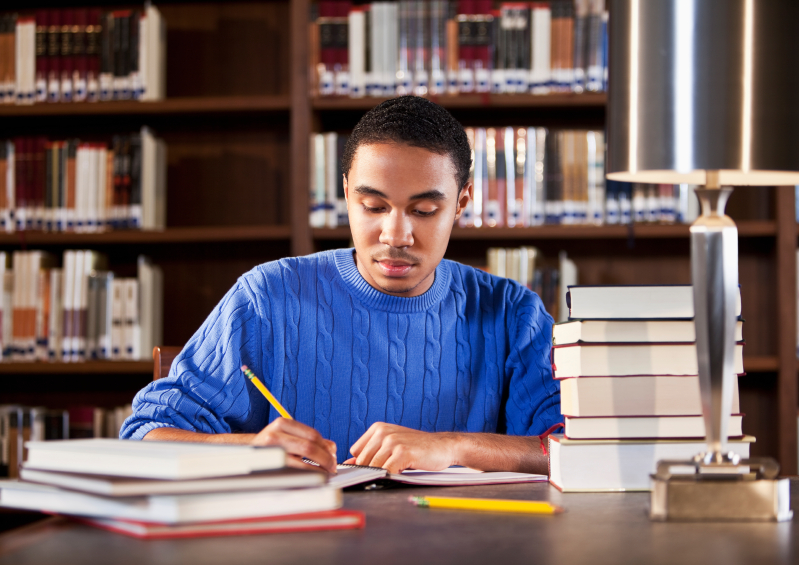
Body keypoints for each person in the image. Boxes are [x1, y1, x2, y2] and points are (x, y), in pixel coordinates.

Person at [120, 96, 561, 475]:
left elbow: (574, 448)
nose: (395, 235)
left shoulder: (512, 312)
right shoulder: (268, 296)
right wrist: (249, 452)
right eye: (373, 206)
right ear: (347, 193)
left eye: (424, 210)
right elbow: (143, 437)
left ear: (462, 201)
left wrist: (452, 446)